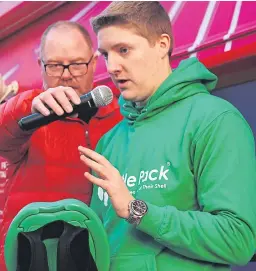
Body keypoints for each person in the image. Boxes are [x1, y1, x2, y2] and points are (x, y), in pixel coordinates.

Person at [78, 2, 256, 271]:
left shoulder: (215, 120)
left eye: (123, 50)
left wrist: (138, 211)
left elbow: (238, 239)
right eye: (105, 54)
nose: (112, 66)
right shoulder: (109, 141)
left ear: (162, 45)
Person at [0, 21, 122, 270]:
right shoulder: (28, 119)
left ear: (94, 61)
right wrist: (26, 105)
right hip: (34, 258)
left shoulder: (120, 115)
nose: (66, 74)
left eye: (76, 64)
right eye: (55, 65)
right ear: (40, 66)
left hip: (100, 258)